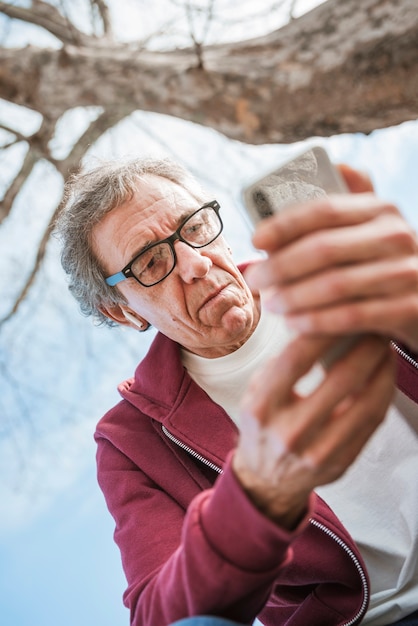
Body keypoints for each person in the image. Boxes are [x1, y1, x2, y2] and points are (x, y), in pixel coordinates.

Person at [56, 156, 418, 626]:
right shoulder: (131, 440)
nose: (196, 262)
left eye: (195, 227)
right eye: (151, 261)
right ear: (123, 312)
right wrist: (256, 498)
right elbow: (160, 616)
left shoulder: (333, 278)